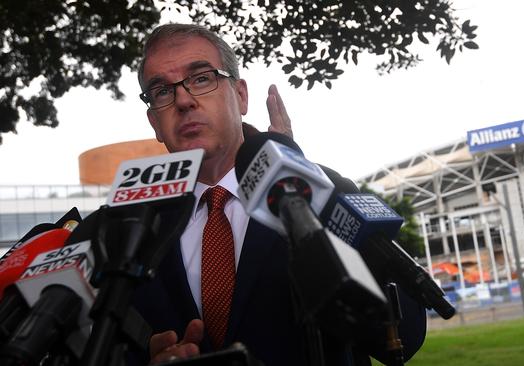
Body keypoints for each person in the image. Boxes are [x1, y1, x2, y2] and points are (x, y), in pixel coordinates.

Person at [128, 23, 426, 366]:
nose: (183, 100)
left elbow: (406, 335)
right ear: (154, 121)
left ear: (241, 96)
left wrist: (302, 203)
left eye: (201, 78)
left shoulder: (324, 190)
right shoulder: (134, 228)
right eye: (162, 91)